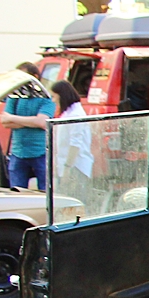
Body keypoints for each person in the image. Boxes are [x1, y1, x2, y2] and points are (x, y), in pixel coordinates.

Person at [0, 74, 55, 189]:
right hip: (18, 152)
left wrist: (13, 118)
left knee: (46, 192)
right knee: (17, 193)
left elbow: (42, 122)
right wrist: (32, 122)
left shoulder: (45, 98)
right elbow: (5, 121)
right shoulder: (14, 97)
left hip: (40, 152)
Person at [48, 81, 95, 211]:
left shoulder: (76, 115)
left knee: (74, 204)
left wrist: (67, 168)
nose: (53, 100)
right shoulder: (68, 113)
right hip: (66, 165)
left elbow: (75, 144)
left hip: (76, 166)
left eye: (54, 96)